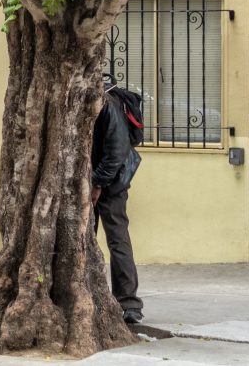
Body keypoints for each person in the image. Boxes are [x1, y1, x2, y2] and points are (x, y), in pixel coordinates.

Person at [91, 86, 144, 325]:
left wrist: (98, 183)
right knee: (82, 239)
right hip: (90, 179)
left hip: (111, 182)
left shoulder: (107, 105)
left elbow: (116, 151)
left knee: (117, 239)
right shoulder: (86, 102)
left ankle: (129, 303)